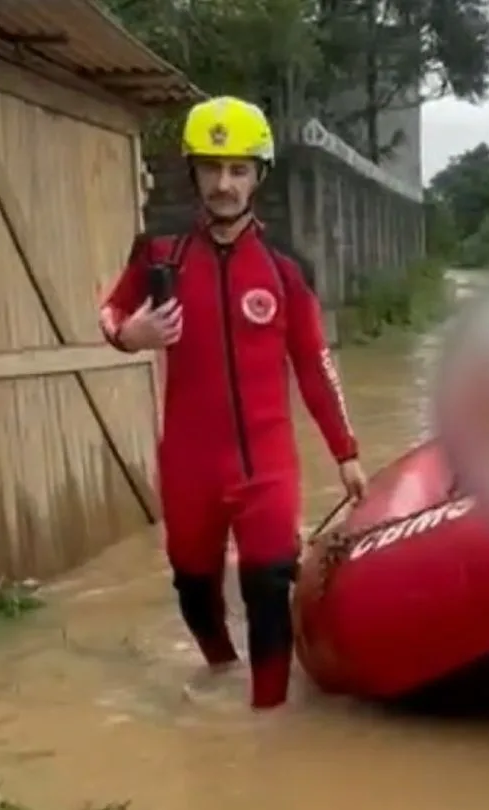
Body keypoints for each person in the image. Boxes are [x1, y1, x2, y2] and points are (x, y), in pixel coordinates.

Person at [98, 96, 368, 710]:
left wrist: (347, 453)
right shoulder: (158, 257)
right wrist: (127, 336)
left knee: (269, 583)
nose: (224, 184)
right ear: (192, 172)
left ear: (258, 176)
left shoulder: (284, 271)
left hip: (265, 467)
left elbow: (316, 367)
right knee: (194, 588)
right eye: (212, 168)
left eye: (239, 169)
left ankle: (266, 721)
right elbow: (110, 312)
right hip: (189, 466)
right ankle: (221, 673)